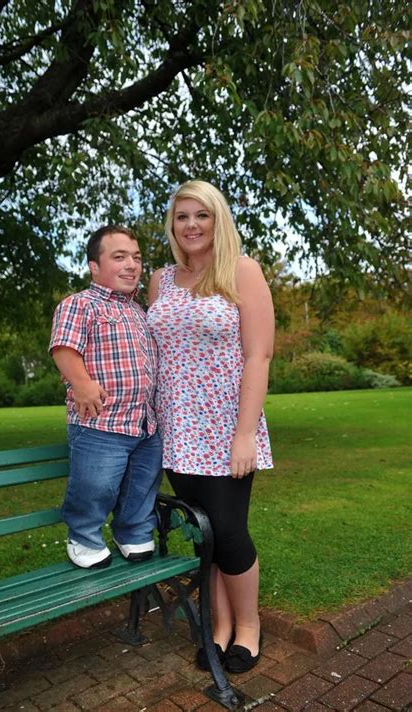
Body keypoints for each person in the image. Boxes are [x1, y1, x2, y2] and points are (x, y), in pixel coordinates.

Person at [147, 181, 274, 674]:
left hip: (226, 427)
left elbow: (258, 355)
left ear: (218, 220)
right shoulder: (161, 280)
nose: (192, 225)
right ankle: (218, 627)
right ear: (173, 225)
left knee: (230, 531)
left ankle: (248, 627)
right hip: (177, 430)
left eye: (202, 215)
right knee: (206, 537)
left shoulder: (242, 271)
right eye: (182, 217)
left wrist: (244, 433)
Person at [50, 225, 162, 569]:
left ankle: (132, 530)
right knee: (95, 484)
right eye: (119, 257)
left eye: (137, 257)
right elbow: (64, 347)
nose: (132, 264)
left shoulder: (139, 310)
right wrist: (81, 383)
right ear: (94, 267)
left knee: (142, 486)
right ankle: (83, 535)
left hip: (144, 423)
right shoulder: (80, 304)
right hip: (101, 421)